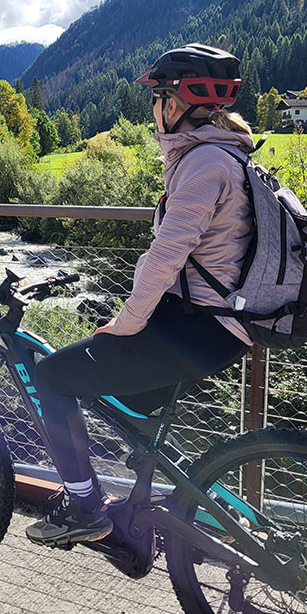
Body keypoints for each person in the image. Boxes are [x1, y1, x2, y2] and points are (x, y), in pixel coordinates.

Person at [26, 44, 256, 547]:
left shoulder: (205, 164)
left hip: (197, 330)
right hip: (210, 327)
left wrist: (126, 322)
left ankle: (85, 508)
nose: (153, 109)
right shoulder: (226, 154)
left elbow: (168, 253)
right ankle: (139, 524)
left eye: (157, 98)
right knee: (129, 408)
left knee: (53, 376)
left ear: (174, 106)